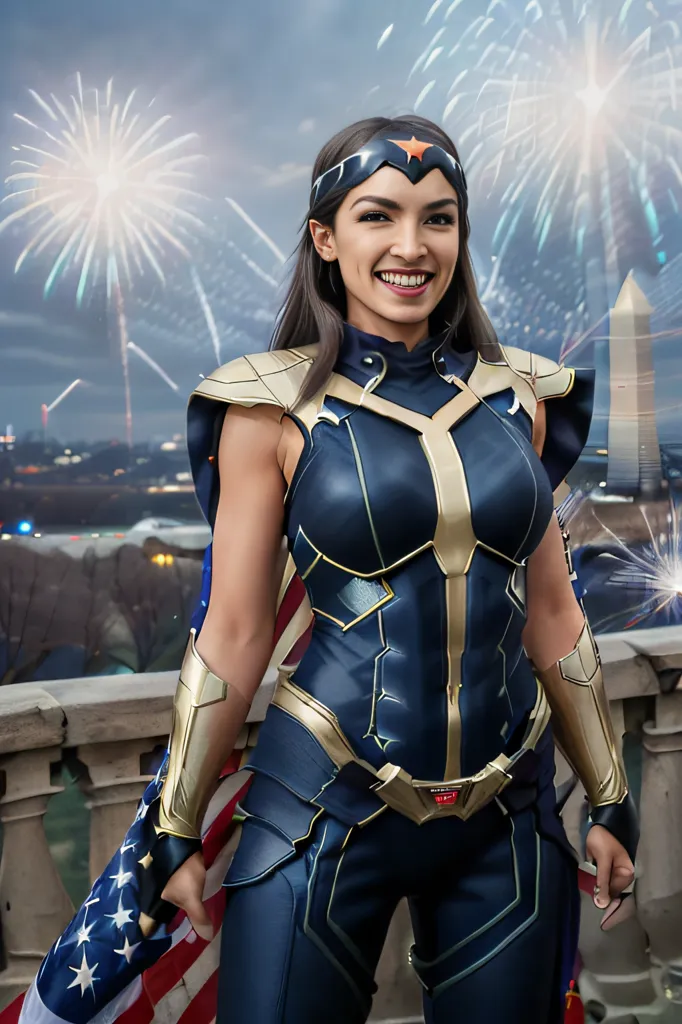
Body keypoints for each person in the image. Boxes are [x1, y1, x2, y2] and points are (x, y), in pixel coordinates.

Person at [22, 115, 637, 1024]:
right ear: (324, 236)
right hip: (322, 809)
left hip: (509, 819)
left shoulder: (522, 399)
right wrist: (174, 825)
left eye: (438, 218)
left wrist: (614, 793)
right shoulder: (268, 407)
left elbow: (553, 615)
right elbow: (231, 630)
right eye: (378, 215)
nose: (410, 245)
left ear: (460, 236)